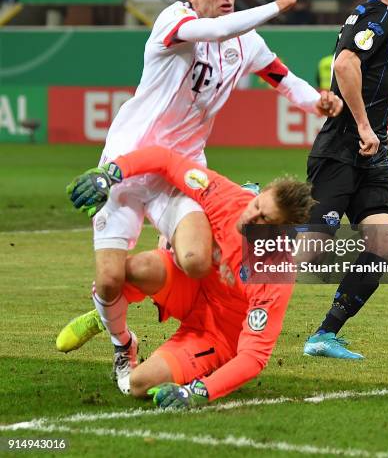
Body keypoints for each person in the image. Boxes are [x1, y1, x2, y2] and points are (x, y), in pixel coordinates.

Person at [56, 0, 343, 392]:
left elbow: (283, 79)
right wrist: (279, 6)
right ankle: (122, 341)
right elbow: (214, 29)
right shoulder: (175, 21)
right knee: (110, 279)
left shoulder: (247, 43)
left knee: (192, 260)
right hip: (129, 163)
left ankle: (204, 331)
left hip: (182, 173)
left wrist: (316, 102)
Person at [66, 144, 315, 405]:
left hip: (215, 334)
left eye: (265, 220)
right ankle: (111, 322)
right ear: (259, 194)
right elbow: (165, 160)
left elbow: (254, 357)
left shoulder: (274, 271)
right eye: (256, 205)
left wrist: (198, 391)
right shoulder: (228, 198)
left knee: (140, 384)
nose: (251, 217)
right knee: (134, 269)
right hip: (190, 287)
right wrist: (111, 173)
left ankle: (205, 368)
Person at [303, 0, 388, 359]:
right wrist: (360, 127)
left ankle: (325, 334)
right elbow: (344, 66)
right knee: (313, 248)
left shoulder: (370, 18)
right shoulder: (380, 15)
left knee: (383, 241)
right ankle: (249, 208)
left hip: (369, 156)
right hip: (341, 150)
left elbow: (367, 97)